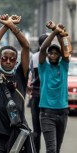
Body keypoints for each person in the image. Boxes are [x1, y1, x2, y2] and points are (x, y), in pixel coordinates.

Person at [0, 14, 31, 152]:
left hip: (18, 134)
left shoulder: (20, 75)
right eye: (4, 58)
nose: (7, 61)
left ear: (16, 62)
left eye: (11, 59)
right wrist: (5, 25)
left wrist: (12, 26)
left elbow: (26, 46)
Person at [38, 21, 70, 153]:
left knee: (57, 149)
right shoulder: (43, 67)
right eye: (50, 53)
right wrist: (54, 33)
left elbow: (66, 50)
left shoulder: (64, 66)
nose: (52, 55)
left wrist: (59, 34)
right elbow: (42, 49)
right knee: (51, 149)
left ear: (59, 56)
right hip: (47, 114)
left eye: (56, 53)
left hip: (63, 113)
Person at [29, 33, 48, 153]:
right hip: (44, 97)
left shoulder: (34, 57)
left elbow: (32, 72)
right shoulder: (52, 57)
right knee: (46, 129)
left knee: (37, 129)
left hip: (36, 96)